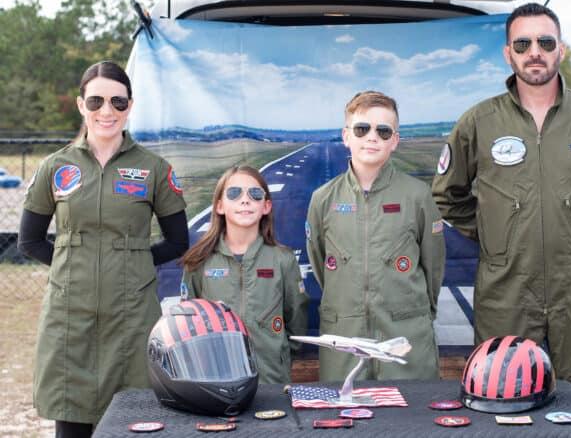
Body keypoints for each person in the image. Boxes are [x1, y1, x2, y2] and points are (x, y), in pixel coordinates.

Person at [431, 3, 571, 429]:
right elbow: (447, 193)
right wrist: (499, 238)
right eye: (523, 43)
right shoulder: (479, 121)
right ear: (508, 54)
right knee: (501, 392)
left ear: (561, 51)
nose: (535, 52)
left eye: (545, 42)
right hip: (506, 288)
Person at [17, 61, 189, 438]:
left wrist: (133, 265)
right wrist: (71, 266)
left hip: (132, 313)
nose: (106, 111)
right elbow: (28, 240)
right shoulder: (56, 166)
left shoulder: (153, 168)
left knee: (134, 421)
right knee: (71, 416)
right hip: (69, 313)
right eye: (96, 101)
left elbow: (178, 241)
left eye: (117, 101)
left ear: (130, 105)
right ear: (81, 105)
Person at [306, 91, 446, 382]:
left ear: (394, 141)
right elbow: (323, 266)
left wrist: (414, 312)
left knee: (411, 423)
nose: (372, 137)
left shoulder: (417, 196)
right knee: (347, 421)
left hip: (404, 337)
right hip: (345, 338)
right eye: (362, 129)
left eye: (383, 131)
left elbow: (433, 267)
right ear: (346, 136)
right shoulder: (323, 199)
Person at [180, 165, 308, 384]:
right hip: (216, 382)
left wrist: (277, 355)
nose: (245, 200)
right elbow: (188, 324)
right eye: (234, 193)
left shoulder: (282, 259)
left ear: (266, 206)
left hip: (271, 381)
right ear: (220, 205)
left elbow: (296, 319)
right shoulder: (198, 262)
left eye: (255, 194)